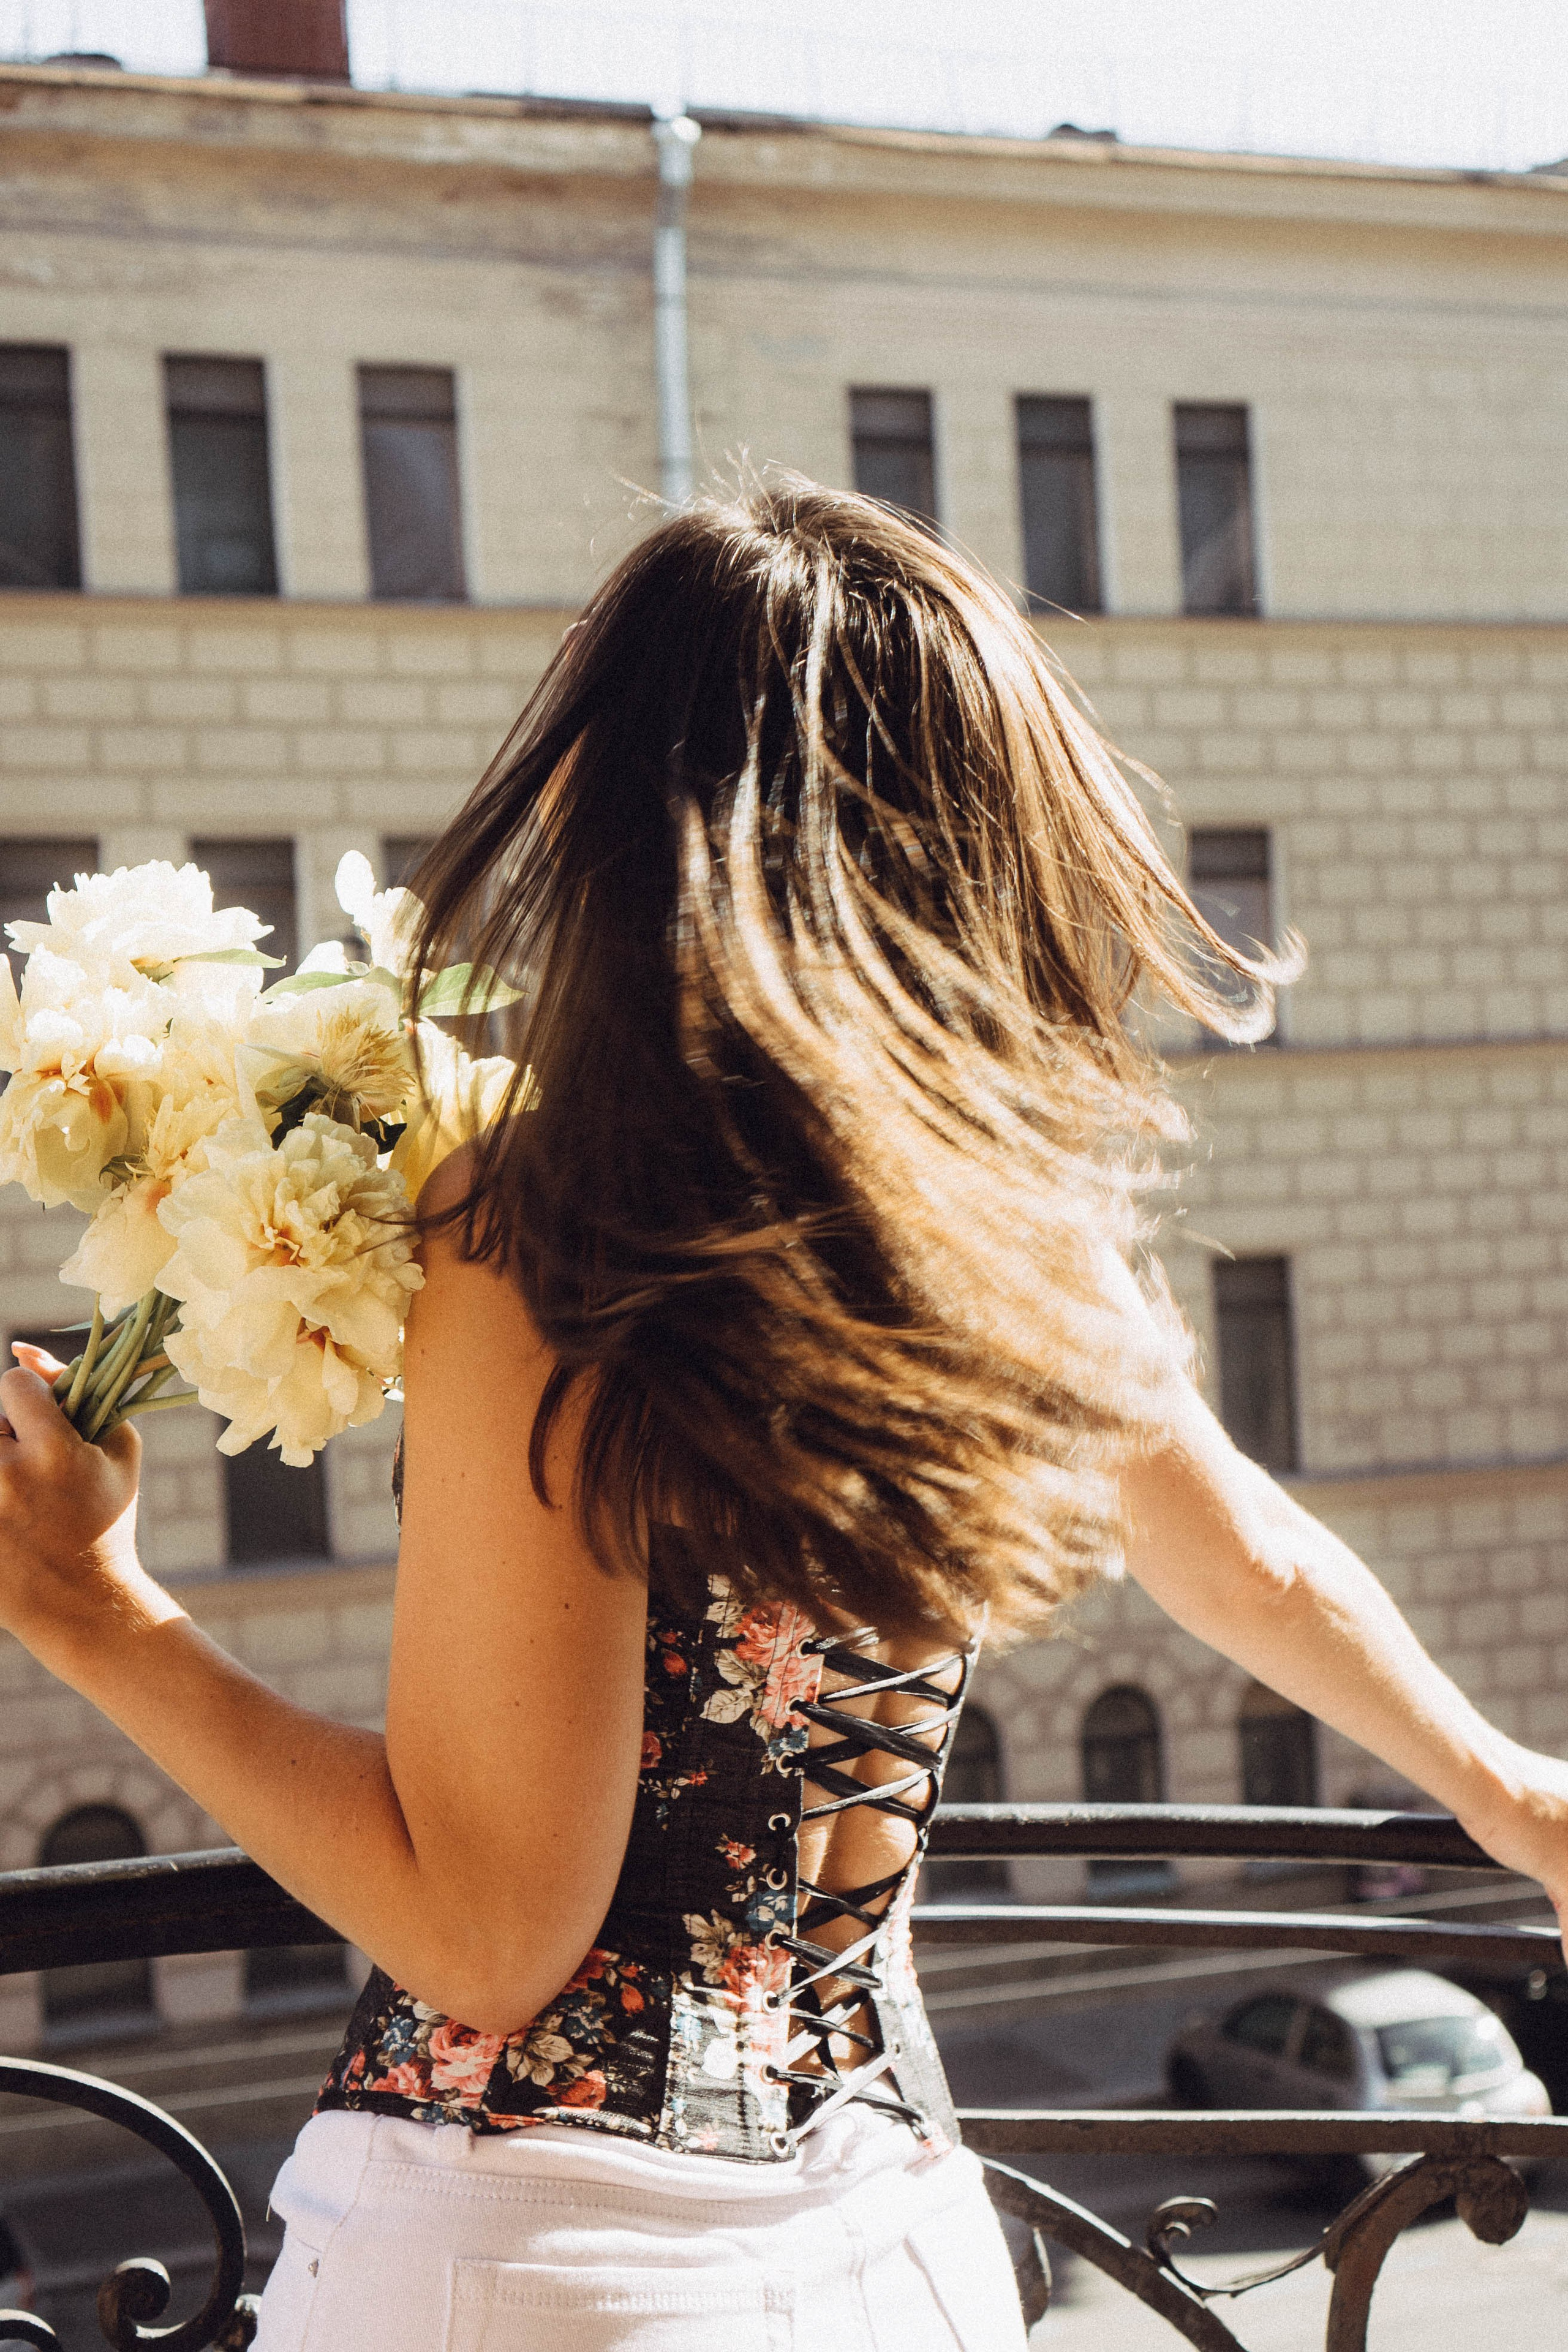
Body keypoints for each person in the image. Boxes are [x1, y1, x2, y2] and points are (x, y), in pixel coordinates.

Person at [1, 482, 1565, 2352]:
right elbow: (1253, 1564)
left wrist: (97, 1610)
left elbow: (491, 1938)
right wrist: (1513, 1792)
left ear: (622, 814)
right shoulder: (1007, 1227)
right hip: (899, 2247)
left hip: (546, 2261)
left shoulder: (542, 1224)